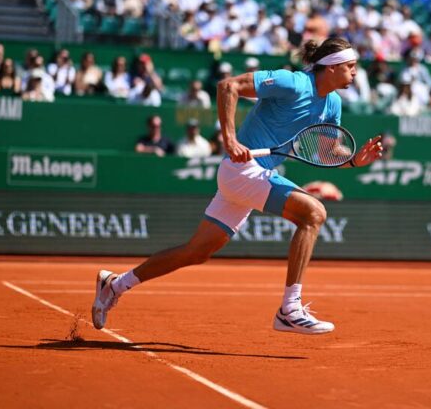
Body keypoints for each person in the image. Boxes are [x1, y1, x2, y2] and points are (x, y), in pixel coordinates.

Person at [92, 37, 383, 335]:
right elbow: (227, 86)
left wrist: (355, 160)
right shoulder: (292, 82)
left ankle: (115, 284)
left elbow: (327, 151)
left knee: (197, 252)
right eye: (350, 66)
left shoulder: (332, 103)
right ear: (331, 67)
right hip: (243, 171)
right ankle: (290, 309)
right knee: (313, 214)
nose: (355, 73)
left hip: (249, 176)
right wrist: (230, 138)